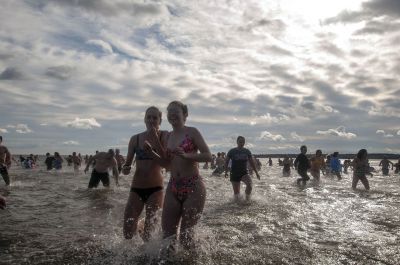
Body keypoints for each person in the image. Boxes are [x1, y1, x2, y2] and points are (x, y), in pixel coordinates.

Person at [148, 101, 211, 251]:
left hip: (193, 186)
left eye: (176, 111)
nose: (172, 114)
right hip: (173, 186)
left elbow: (208, 156)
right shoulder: (168, 136)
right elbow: (167, 164)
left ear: (185, 114)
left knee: (186, 238)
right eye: (169, 112)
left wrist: (187, 156)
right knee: (167, 237)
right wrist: (152, 152)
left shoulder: (192, 132)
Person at [122, 106, 168, 241]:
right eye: (149, 117)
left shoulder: (164, 135)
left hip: (156, 189)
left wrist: (155, 139)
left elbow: (166, 161)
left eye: (155, 117)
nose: (151, 120)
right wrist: (126, 168)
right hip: (136, 188)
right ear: (144, 119)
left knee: (149, 233)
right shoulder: (135, 139)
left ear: (160, 120)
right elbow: (127, 164)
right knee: (128, 230)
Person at [225, 136, 260, 201]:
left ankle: (247, 199)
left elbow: (252, 162)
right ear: (237, 142)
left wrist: (256, 172)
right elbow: (226, 161)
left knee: (249, 185)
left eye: (243, 142)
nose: (242, 143)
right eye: (240, 142)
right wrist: (226, 172)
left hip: (244, 172)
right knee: (237, 195)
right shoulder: (232, 151)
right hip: (234, 173)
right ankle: (237, 207)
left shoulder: (247, 151)